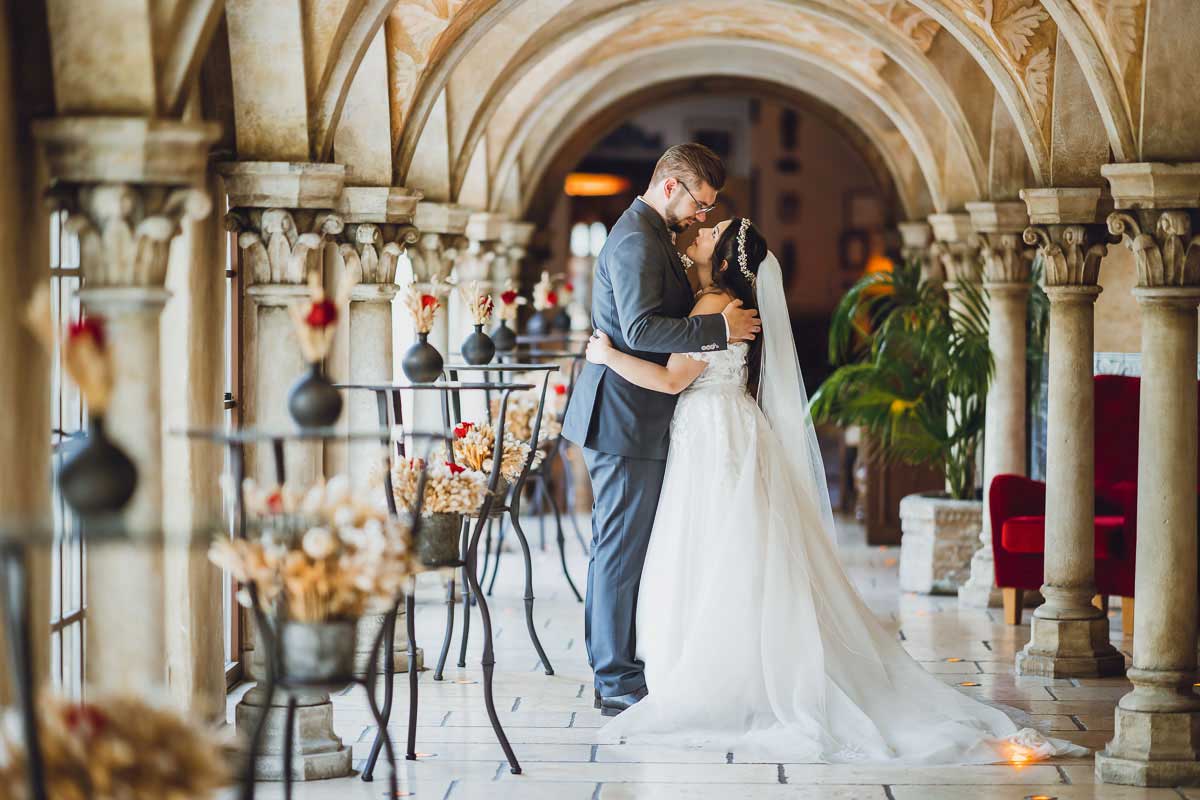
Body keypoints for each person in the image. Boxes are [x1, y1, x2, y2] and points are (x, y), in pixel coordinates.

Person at [583, 216, 1085, 764]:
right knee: (736, 550)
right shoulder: (728, 304)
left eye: (710, 231)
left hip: (709, 433)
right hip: (732, 427)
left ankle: (713, 672)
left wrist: (606, 356)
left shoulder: (712, 308)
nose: (698, 231)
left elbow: (672, 380)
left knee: (708, 549)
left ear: (724, 259)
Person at [561, 143, 762, 717]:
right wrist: (717, 330)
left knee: (627, 549)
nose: (702, 217)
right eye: (701, 204)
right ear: (671, 185)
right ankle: (615, 680)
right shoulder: (633, 240)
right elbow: (642, 327)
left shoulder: (655, 237)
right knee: (618, 552)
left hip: (640, 414)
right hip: (624, 419)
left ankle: (624, 668)